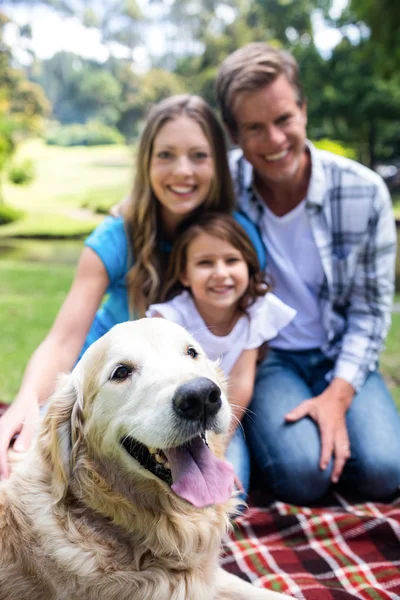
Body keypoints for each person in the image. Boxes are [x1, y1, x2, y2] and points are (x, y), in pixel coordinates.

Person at [0, 94, 266, 479]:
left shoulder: (238, 242)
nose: (182, 171)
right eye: (165, 156)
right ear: (146, 163)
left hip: (191, 398)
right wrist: (27, 402)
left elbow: (247, 336)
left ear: (219, 165)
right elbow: (63, 340)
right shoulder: (116, 236)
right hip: (116, 396)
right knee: (24, 469)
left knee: (222, 491)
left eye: (199, 156)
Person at [214, 42, 400, 504]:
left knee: (384, 471)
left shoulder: (363, 192)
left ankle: (311, 432)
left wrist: (338, 395)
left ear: (303, 109)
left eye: (283, 120)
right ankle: (270, 441)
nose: (275, 140)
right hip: (268, 358)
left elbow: (371, 312)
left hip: (341, 350)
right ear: (235, 133)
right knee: (302, 475)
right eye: (255, 128)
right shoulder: (223, 190)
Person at [146, 212, 296, 496]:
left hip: (226, 414)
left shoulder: (255, 312)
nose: (221, 273)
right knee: (201, 491)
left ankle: (252, 445)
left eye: (232, 260)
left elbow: (240, 381)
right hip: (185, 415)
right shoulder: (170, 318)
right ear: (184, 275)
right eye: (205, 263)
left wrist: (222, 445)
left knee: (228, 490)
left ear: (249, 266)